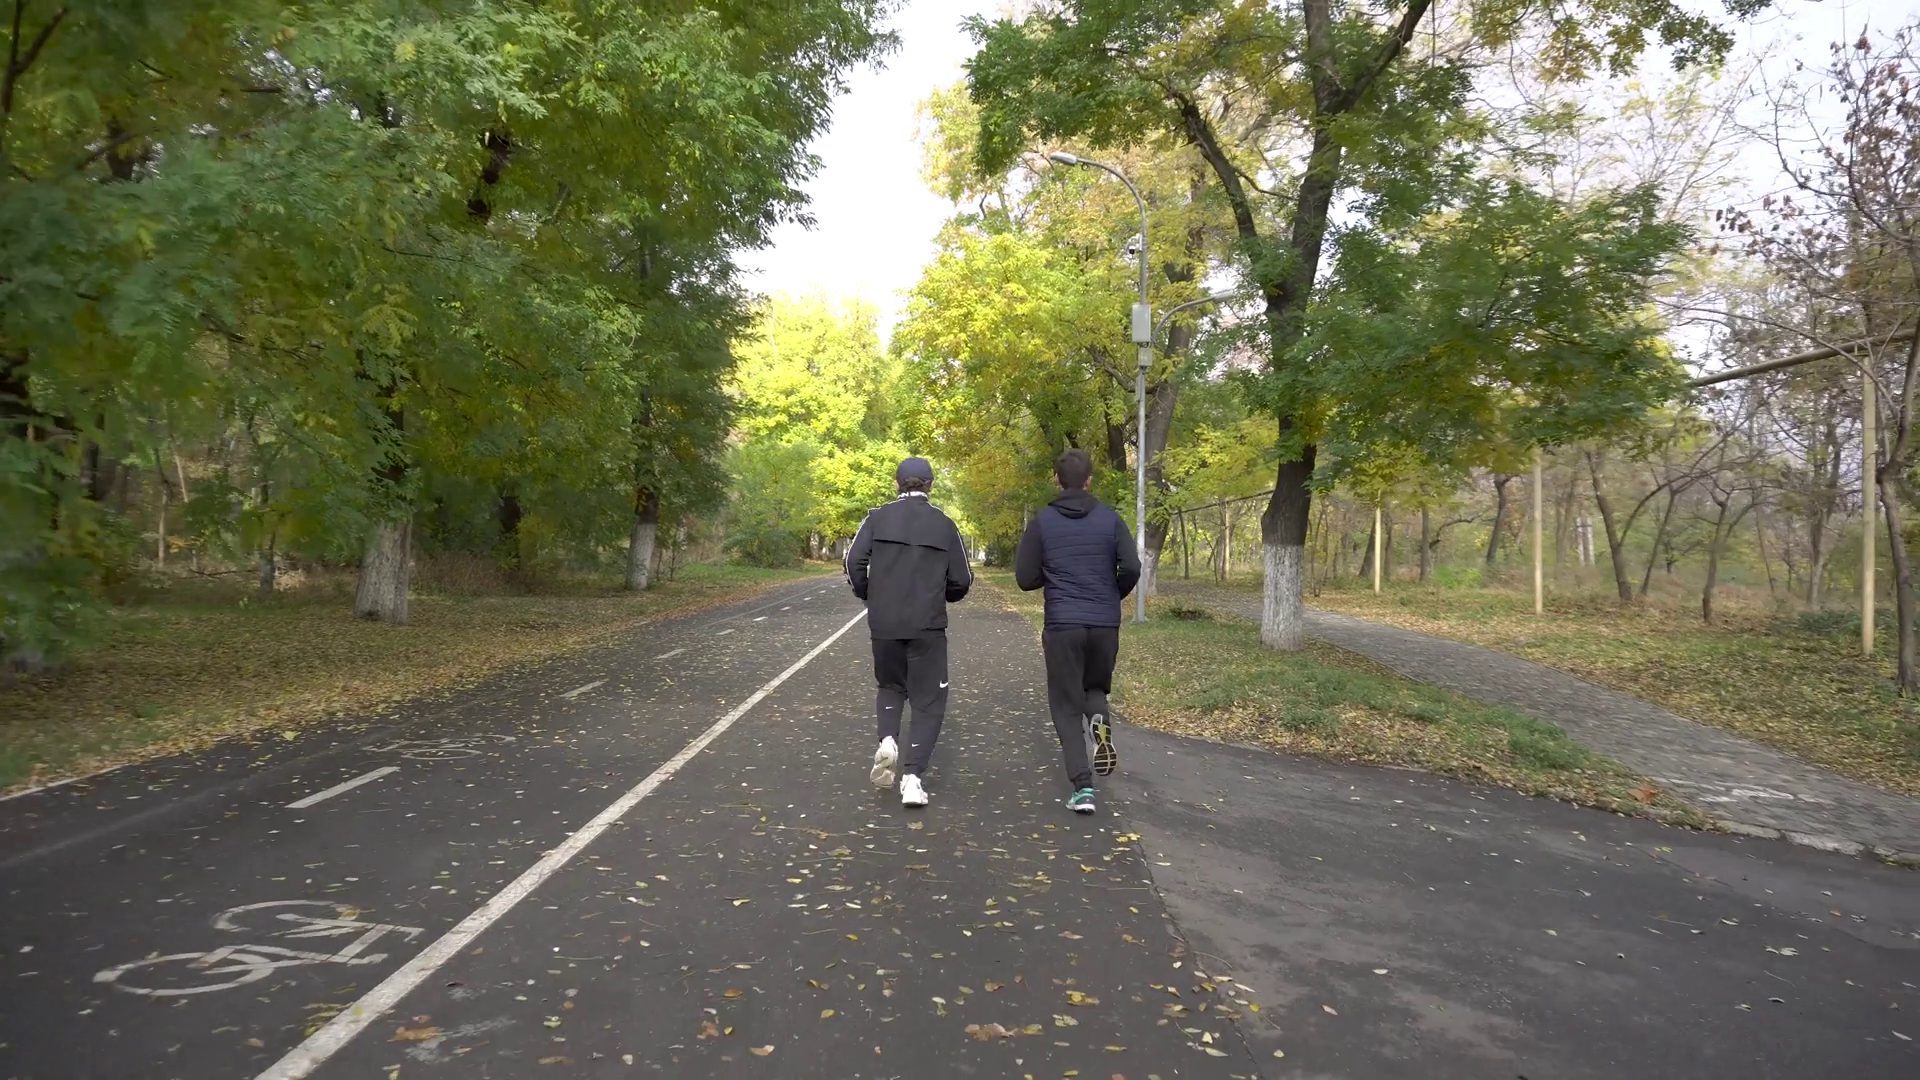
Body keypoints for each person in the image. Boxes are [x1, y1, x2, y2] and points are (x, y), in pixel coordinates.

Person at [1014, 448, 1140, 814]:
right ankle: (1099, 720)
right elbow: (1131, 566)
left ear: (1057, 479)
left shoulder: (1042, 522)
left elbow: (1024, 577)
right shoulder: (1111, 520)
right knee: (1094, 688)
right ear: (1089, 480)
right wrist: (1112, 595)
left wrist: (1052, 574)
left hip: (1063, 624)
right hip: (1104, 623)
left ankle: (1083, 788)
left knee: (1066, 705)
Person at [844, 457, 973, 808]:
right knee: (928, 701)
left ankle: (888, 741)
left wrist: (869, 594)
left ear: (896, 483)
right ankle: (913, 779)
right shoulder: (945, 524)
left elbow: (853, 562)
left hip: (884, 624)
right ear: (930, 485)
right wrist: (944, 595)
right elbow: (962, 579)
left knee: (890, 686)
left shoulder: (876, 518)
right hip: (927, 625)